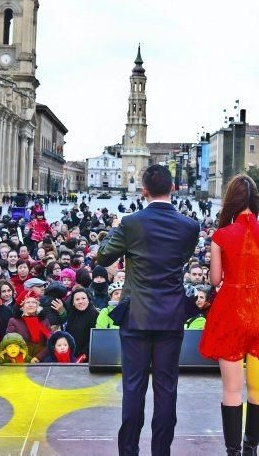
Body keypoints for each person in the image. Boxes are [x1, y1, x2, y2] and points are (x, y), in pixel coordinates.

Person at [96, 165, 199, 456]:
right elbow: (182, 258)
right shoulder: (190, 226)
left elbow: (103, 256)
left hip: (137, 316)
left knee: (133, 387)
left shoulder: (131, 223)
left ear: (144, 191)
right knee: (166, 389)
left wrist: (117, 229)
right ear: (173, 189)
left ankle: (128, 451)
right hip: (171, 316)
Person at [198, 174, 259, 456]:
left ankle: (233, 451)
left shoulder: (221, 236)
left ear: (230, 201)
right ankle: (251, 448)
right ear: (256, 201)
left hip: (231, 311)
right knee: (258, 389)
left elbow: (214, 280)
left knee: (232, 391)